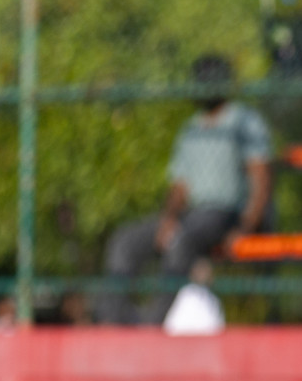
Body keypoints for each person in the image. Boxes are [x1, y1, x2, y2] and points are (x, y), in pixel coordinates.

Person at [100, 55, 271, 324]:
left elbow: (260, 178)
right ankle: (115, 323)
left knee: (181, 241)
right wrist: (167, 219)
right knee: (124, 242)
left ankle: (153, 324)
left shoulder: (244, 121)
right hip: (190, 215)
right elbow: (180, 186)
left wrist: (246, 226)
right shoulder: (191, 129)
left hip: (223, 215)